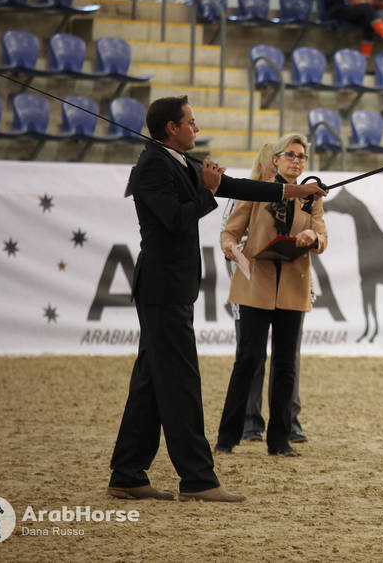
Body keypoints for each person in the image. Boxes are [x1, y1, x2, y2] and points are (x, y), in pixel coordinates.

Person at [107, 96, 326, 503]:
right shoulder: (151, 166)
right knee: (181, 382)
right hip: (161, 288)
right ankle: (198, 480)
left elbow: (242, 187)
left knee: (151, 381)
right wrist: (207, 192)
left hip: (173, 288)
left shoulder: (182, 162)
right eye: (191, 122)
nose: (197, 128)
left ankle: (128, 473)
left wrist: (298, 189)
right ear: (171, 128)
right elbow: (174, 218)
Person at [215, 133, 327, 457]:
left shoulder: (312, 197)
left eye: (301, 157)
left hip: (293, 285)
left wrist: (312, 237)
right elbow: (229, 232)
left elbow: (322, 235)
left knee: (286, 364)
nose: (296, 161)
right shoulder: (256, 192)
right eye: (290, 155)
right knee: (248, 360)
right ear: (275, 160)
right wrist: (231, 249)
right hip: (255, 284)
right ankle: (228, 436)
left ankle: (280, 440)